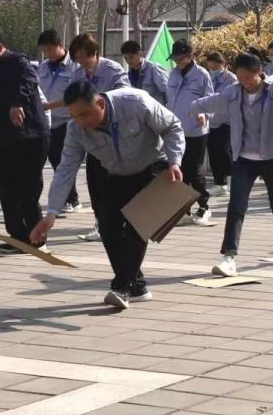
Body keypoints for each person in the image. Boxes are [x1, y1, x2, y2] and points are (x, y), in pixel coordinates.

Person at [32, 80, 183, 308]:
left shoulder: (134, 102)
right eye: (75, 116)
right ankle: (137, 286)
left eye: (85, 114)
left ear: (100, 103)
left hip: (154, 165)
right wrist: (51, 213)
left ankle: (121, 287)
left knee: (137, 226)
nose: (82, 121)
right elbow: (65, 170)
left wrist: (175, 162)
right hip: (117, 174)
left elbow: (172, 127)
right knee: (107, 227)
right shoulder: (76, 129)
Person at [193, 53, 273, 277]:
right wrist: (195, 109)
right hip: (244, 159)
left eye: (248, 77)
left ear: (259, 73)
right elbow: (212, 101)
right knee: (236, 206)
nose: (244, 82)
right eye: (240, 77)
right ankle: (228, 257)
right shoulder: (233, 91)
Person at [0, 31, 49, 253]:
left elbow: (30, 79)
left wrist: (18, 103)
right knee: (7, 192)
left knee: (28, 192)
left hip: (31, 138)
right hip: (8, 140)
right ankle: (18, 237)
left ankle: (36, 240)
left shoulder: (18, 62)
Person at [166, 39, 214, 224]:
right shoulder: (172, 74)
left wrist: (204, 114)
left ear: (190, 56)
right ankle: (184, 209)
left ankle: (204, 205)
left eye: (181, 58)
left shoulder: (202, 75)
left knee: (194, 171)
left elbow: (210, 100)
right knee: (179, 170)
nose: (177, 62)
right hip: (176, 131)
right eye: (175, 58)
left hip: (196, 131)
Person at [37, 29, 84, 216]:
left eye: (49, 48)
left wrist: (52, 105)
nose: (47, 52)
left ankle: (71, 199)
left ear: (60, 45)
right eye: (44, 49)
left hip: (68, 119)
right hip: (48, 120)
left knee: (62, 160)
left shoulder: (74, 67)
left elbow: (76, 95)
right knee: (54, 159)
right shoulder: (43, 67)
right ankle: (69, 197)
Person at [203, 51, 235, 195]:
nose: (213, 71)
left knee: (224, 150)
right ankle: (219, 182)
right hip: (211, 120)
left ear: (223, 65)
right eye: (210, 68)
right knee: (213, 151)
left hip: (226, 120)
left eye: (215, 68)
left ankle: (231, 179)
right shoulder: (208, 77)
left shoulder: (231, 79)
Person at [121, 40, 169, 104]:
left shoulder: (153, 68)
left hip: (156, 108)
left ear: (140, 54)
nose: (128, 61)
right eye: (126, 58)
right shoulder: (128, 75)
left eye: (131, 58)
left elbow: (167, 90)